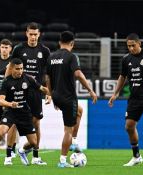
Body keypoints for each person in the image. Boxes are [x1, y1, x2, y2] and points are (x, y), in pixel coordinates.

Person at [108, 33, 143, 167]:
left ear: (139, 44)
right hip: (135, 98)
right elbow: (122, 77)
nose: (131, 48)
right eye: (128, 46)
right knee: (129, 126)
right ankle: (136, 156)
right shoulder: (126, 59)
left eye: (133, 45)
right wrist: (115, 94)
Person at [46, 31, 97, 168]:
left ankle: (73, 141)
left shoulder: (51, 57)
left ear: (59, 42)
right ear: (72, 43)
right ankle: (62, 161)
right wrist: (91, 90)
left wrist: (52, 96)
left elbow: (47, 79)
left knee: (79, 111)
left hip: (57, 95)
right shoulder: (72, 56)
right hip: (68, 97)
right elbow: (78, 74)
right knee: (68, 130)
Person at [0, 58, 50, 167]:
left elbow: (42, 88)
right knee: (1, 132)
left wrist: (50, 94)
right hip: (10, 111)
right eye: (17, 69)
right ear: (11, 69)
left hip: (24, 112)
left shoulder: (28, 79)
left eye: (21, 68)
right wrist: (11, 104)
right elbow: (1, 101)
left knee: (34, 143)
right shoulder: (5, 82)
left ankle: (22, 151)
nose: (20, 71)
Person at [6, 22, 51, 165]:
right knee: (13, 122)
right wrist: (5, 86)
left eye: (35, 34)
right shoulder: (19, 49)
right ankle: (9, 154)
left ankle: (36, 156)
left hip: (36, 90)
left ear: (39, 34)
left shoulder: (44, 51)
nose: (32, 37)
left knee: (36, 123)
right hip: (18, 90)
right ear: (26, 34)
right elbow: (10, 67)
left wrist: (48, 92)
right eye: (30, 34)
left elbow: (48, 74)